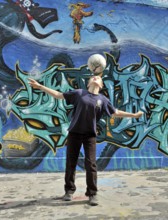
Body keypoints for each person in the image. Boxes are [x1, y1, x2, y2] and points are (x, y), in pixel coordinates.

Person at [28, 58, 143, 206]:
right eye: (93, 77)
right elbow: (58, 95)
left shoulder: (103, 100)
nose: (96, 78)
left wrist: (133, 116)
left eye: (98, 78)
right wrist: (40, 86)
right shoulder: (79, 93)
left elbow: (115, 112)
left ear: (101, 85)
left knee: (91, 164)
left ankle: (92, 194)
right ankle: (69, 191)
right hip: (74, 133)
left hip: (90, 136)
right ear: (89, 83)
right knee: (71, 163)